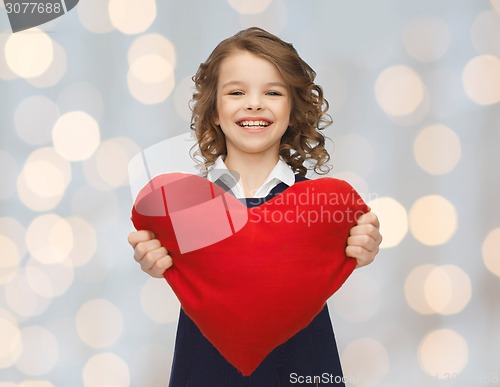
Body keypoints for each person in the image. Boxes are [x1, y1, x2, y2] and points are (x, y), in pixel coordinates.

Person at [128, 27, 382, 386]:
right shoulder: (187, 207)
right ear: (214, 111)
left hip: (302, 366)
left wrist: (363, 245)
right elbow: (175, 262)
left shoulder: (320, 207)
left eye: (272, 92)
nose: (254, 103)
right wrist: (157, 260)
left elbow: (352, 241)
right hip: (206, 366)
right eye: (236, 92)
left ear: (293, 110)